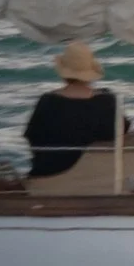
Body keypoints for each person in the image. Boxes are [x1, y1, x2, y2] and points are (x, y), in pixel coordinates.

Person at [22, 41, 120, 180]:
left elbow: (31, 136)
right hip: (95, 176)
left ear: (63, 73)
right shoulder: (107, 100)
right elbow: (122, 132)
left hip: (47, 173)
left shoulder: (47, 101)